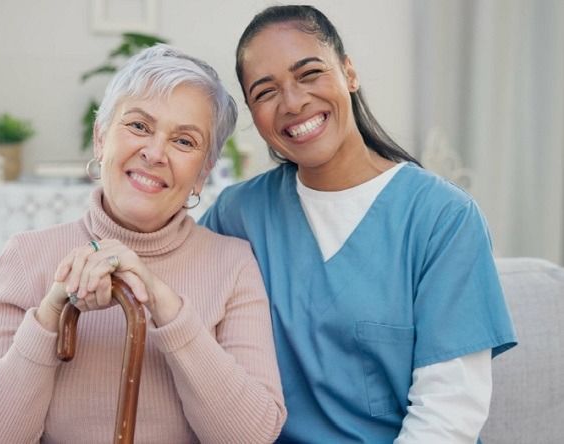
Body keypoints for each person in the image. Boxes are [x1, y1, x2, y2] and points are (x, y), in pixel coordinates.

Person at [200, 5, 517, 443]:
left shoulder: (443, 219)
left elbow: (449, 415)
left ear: (349, 73)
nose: (293, 103)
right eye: (265, 91)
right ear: (253, 114)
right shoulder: (237, 216)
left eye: (309, 73)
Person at [0, 44, 286, 444]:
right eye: (139, 126)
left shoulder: (233, 264)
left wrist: (163, 302)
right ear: (100, 139)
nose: (155, 153)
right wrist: (51, 313)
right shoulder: (27, 256)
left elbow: (254, 437)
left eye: (184, 142)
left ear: (202, 174)